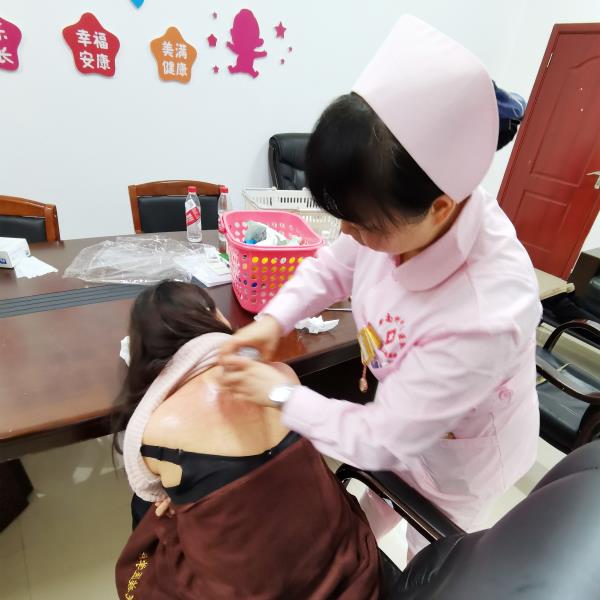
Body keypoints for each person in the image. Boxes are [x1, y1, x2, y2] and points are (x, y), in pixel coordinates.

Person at [219, 15, 542, 558]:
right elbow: (334, 265)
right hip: (402, 416)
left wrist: (279, 395)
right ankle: (352, 557)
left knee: (429, 557)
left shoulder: (485, 312)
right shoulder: (403, 208)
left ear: (440, 208)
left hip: (461, 459)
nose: (347, 234)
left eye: (363, 224)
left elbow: (384, 437)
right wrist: (275, 320)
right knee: (371, 511)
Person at [112, 281, 381, 599]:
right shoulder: (281, 375)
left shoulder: (157, 427)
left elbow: (151, 490)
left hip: (249, 588)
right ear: (213, 317)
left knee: (142, 545)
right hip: (349, 573)